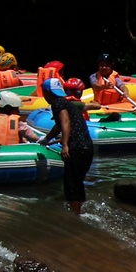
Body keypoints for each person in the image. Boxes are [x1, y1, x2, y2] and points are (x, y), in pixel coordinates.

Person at [39, 78, 94, 215]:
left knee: (71, 185)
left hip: (76, 147)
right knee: (77, 182)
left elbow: (65, 122)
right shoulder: (67, 103)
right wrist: (47, 138)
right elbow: (59, 125)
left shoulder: (57, 103)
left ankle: (75, 216)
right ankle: (81, 211)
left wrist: (64, 145)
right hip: (87, 147)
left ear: (46, 92)